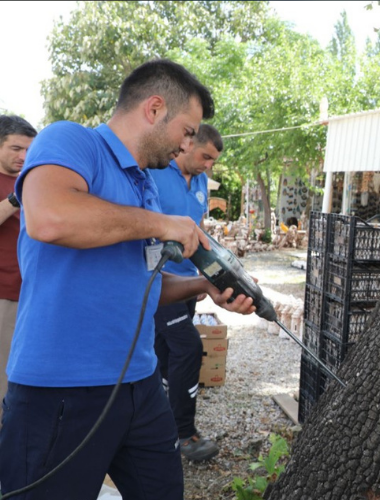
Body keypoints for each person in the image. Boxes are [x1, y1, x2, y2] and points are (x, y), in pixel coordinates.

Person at [0, 59, 256, 500]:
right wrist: (159, 224)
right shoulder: (71, 140)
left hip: (140, 386)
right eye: (189, 130)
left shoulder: (147, 186)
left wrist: (202, 287)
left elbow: (142, 287)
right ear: (155, 109)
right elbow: (49, 218)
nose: (187, 144)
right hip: (60, 390)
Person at [149, 123, 223, 461]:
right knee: (188, 348)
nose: (209, 165)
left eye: (213, 161)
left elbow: (199, 228)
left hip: (188, 283)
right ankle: (184, 434)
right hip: (157, 281)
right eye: (206, 156)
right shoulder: (156, 171)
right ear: (188, 143)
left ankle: (157, 427)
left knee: (164, 355)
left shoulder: (203, 181)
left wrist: (208, 272)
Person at [0, 115, 37, 426]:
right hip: (4, 295)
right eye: (16, 148)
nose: (23, 156)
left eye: (29, 150)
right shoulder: (18, 187)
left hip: (32, 294)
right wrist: (15, 198)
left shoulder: (33, 180)